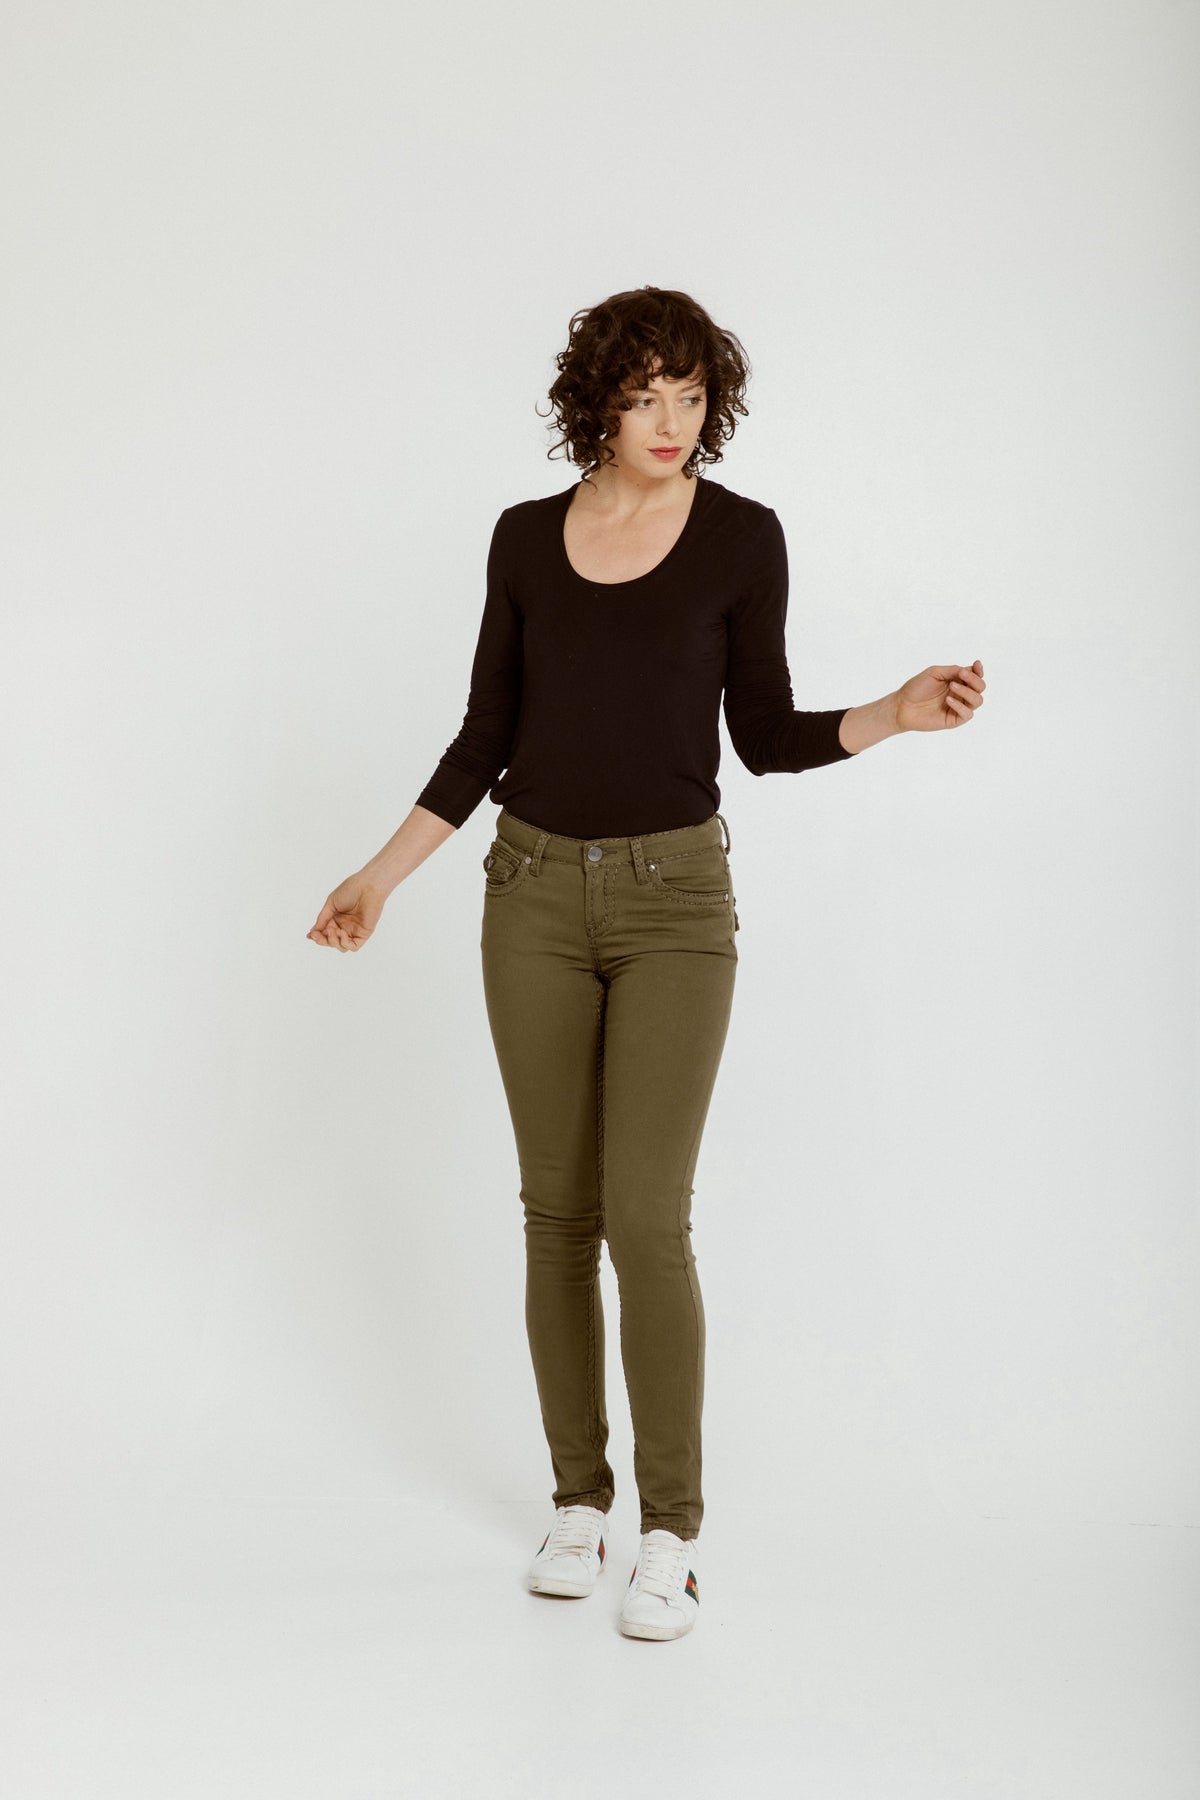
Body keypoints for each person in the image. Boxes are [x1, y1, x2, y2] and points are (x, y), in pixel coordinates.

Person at [307, 285, 986, 1642]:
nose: (672, 423)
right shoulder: (523, 538)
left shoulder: (741, 537)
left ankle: (671, 1530)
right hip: (531, 894)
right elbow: (483, 735)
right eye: (644, 398)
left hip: (678, 903)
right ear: (598, 406)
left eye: (691, 396)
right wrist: (379, 875)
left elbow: (765, 735)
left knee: (644, 1214)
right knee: (556, 1212)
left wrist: (893, 715)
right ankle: (579, 1501)